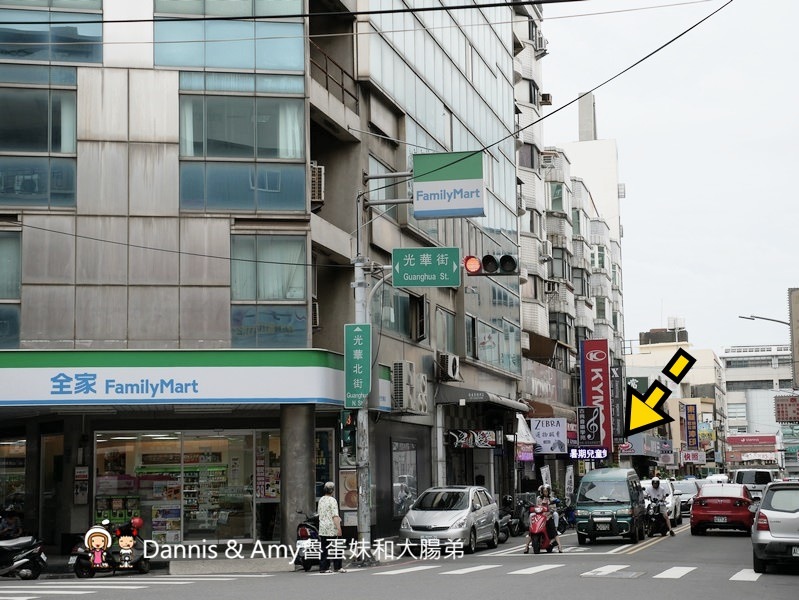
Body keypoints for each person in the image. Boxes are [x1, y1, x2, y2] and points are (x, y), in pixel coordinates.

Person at [524, 484, 563, 553]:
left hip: (548, 516)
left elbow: (553, 508)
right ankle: (526, 546)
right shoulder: (539, 498)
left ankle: (560, 546)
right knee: (532, 530)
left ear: (548, 492)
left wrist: (549, 512)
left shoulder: (551, 499)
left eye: (546, 491)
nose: (545, 493)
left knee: (554, 530)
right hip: (539, 516)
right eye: (544, 491)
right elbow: (537, 506)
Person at [317, 481, 346, 573]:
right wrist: (339, 528)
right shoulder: (333, 500)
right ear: (332, 490)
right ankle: (337, 567)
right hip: (331, 528)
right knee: (337, 547)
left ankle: (323, 567)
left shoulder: (321, 499)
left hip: (322, 528)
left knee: (324, 548)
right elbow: (335, 516)